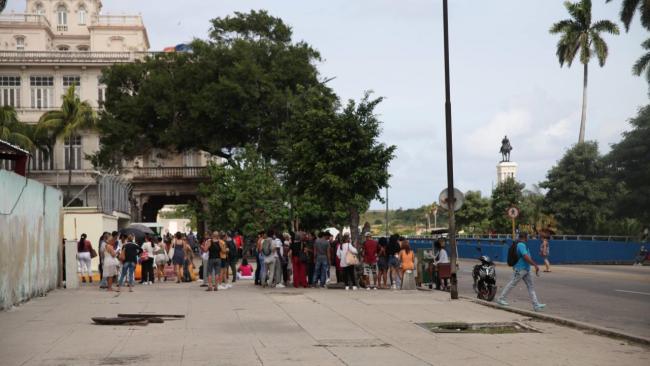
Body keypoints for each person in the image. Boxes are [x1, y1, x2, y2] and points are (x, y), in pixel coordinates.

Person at [497, 233, 546, 311]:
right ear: (524, 237)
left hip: (526, 269)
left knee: (530, 286)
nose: (528, 238)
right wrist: (535, 265)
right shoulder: (521, 245)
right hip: (520, 269)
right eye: (528, 236)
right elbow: (526, 256)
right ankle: (501, 299)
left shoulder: (523, 244)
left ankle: (536, 305)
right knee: (512, 284)